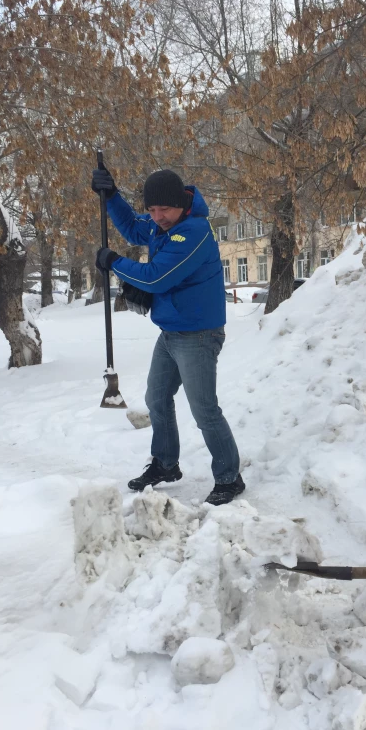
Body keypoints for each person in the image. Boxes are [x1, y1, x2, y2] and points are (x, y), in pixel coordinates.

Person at [91, 164, 245, 506]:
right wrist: (112, 196)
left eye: (165, 209)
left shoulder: (193, 232)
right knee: (156, 398)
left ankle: (230, 477)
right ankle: (165, 464)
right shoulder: (162, 225)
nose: (157, 216)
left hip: (199, 336)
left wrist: (113, 261)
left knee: (204, 409)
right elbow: (133, 228)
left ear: (182, 204)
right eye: (152, 209)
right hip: (171, 332)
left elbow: (156, 278)